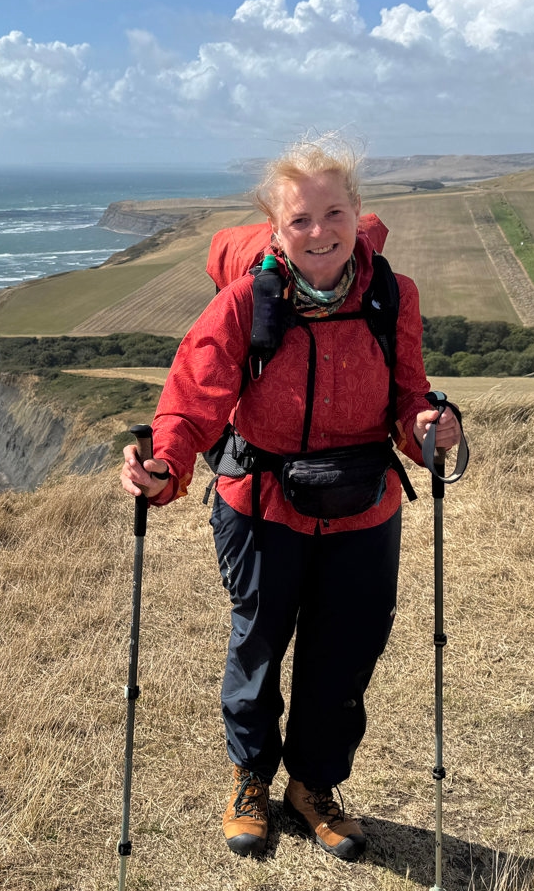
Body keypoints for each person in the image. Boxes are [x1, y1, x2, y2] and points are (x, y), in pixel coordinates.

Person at [119, 133, 460, 861]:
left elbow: (407, 392)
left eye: (332, 213)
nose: (318, 232)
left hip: (364, 506)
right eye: (299, 220)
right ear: (275, 228)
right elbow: (193, 398)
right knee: (260, 643)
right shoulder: (250, 300)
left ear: (357, 211)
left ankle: (312, 787)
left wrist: (427, 424)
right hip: (262, 503)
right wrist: (166, 464)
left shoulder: (391, 294)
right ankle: (251, 778)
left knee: (346, 651)